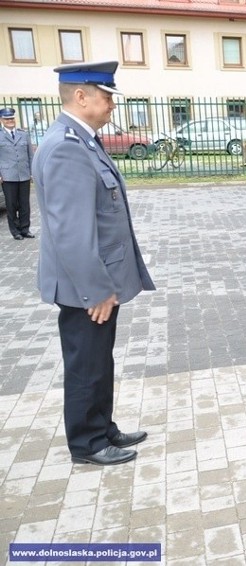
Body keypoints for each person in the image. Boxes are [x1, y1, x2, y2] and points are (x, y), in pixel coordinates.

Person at [32, 61, 154, 465]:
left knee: (99, 359)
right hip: (87, 287)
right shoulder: (67, 147)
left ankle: (103, 428)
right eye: (107, 97)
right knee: (87, 363)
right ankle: (87, 443)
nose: (112, 105)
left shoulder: (81, 140)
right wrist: (96, 289)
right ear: (81, 96)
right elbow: (71, 232)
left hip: (95, 281)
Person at [0, 107, 35, 240]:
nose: (10, 121)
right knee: (11, 205)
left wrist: (32, 172)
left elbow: (30, 155)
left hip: (24, 174)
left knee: (25, 204)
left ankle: (25, 229)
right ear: (1, 120)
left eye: (11, 118)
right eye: (7, 119)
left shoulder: (23, 134)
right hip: (7, 176)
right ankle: (15, 231)